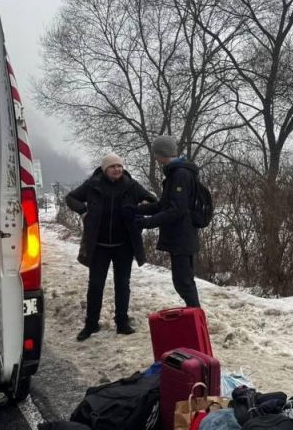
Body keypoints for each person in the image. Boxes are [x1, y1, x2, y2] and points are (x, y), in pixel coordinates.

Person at [66, 153, 154, 341]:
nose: (117, 170)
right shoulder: (93, 185)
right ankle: (91, 324)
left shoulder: (131, 186)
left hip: (124, 245)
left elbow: (152, 200)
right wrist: (83, 212)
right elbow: (71, 198)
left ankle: (122, 323)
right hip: (99, 245)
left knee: (123, 284)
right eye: (113, 167)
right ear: (105, 169)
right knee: (96, 285)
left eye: (120, 167)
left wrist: (141, 210)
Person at [135, 135, 202, 309]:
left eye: (156, 154)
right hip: (180, 237)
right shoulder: (175, 173)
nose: (155, 158)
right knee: (183, 281)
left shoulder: (180, 174)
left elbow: (177, 209)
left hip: (182, 237)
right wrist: (137, 210)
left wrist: (148, 223)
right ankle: (194, 315)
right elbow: (164, 204)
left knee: (183, 283)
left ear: (161, 153)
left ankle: (195, 319)